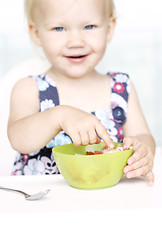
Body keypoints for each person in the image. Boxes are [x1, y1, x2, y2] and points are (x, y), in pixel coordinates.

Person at [7, 0, 155, 185]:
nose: (76, 42)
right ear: (37, 33)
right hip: (40, 203)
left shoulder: (121, 87)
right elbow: (18, 138)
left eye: (89, 26)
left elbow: (143, 135)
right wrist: (58, 115)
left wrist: (143, 150)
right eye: (59, 28)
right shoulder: (29, 88)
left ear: (109, 28)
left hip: (107, 199)